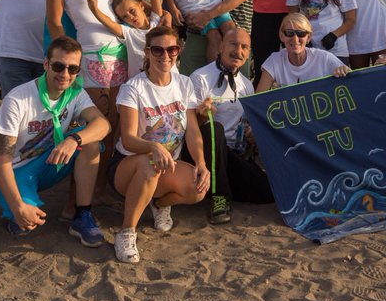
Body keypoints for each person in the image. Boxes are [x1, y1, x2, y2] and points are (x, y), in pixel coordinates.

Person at [0, 37, 110, 241]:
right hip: (16, 169)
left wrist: (74, 140)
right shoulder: (18, 99)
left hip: (49, 159)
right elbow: (2, 161)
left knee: (91, 142)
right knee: (26, 222)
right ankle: (18, 207)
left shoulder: (75, 93)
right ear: (46, 64)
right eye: (58, 66)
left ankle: (82, 214)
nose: (65, 74)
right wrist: (18, 206)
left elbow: (103, 124)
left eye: (73, 69)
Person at [111, 25, 211, 264]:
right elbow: (127, 139)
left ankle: (159, 204)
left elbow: (192, 131)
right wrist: (154, 147)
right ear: (146, 52)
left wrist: (201, 162)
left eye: (171, 49)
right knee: (150, 164)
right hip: (128, 166)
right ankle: (126, 232)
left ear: (179, 51)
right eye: (157, 50)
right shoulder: (133, 88)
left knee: (199, 187)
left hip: (166, 164)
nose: (165, 56)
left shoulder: (184, 83)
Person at [46, 0, 126, 207]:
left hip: (119, 56)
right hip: (89, 59)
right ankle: (73, 204)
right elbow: (54, 22)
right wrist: (69, 64)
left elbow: (124, 2)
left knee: (113, 126)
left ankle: (100, 192)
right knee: (89, 130)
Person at [189, 25, 276, 223]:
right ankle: (220, 197)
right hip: (204, 155)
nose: (238, 51)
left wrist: (253, 135)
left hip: (233, 156)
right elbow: (189, 125)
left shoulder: (247, 84)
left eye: (244, 47)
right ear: (220, 46)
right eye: (233, 44)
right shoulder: (200, 78)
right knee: (215, 127)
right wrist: (201, 116)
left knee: (268, 193)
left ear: (248, 54)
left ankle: (221, 185)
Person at [256, 13, 351, 91]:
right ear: (281, 36)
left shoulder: (324, 58)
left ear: (308, 37)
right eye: (289, 33)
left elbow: (351, 82)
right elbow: (258, 98)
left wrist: (344, 71)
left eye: (301, 33)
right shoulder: (274, 60)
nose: (295, 39)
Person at [86, 0, 166, 74]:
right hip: (141, 81)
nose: (131, 17)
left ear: (141, 6)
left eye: (132, 11)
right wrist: (94, 9)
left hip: (165, 76)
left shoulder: (157, 22)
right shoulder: (129, 33)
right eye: (125, 16)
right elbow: (109, 23)